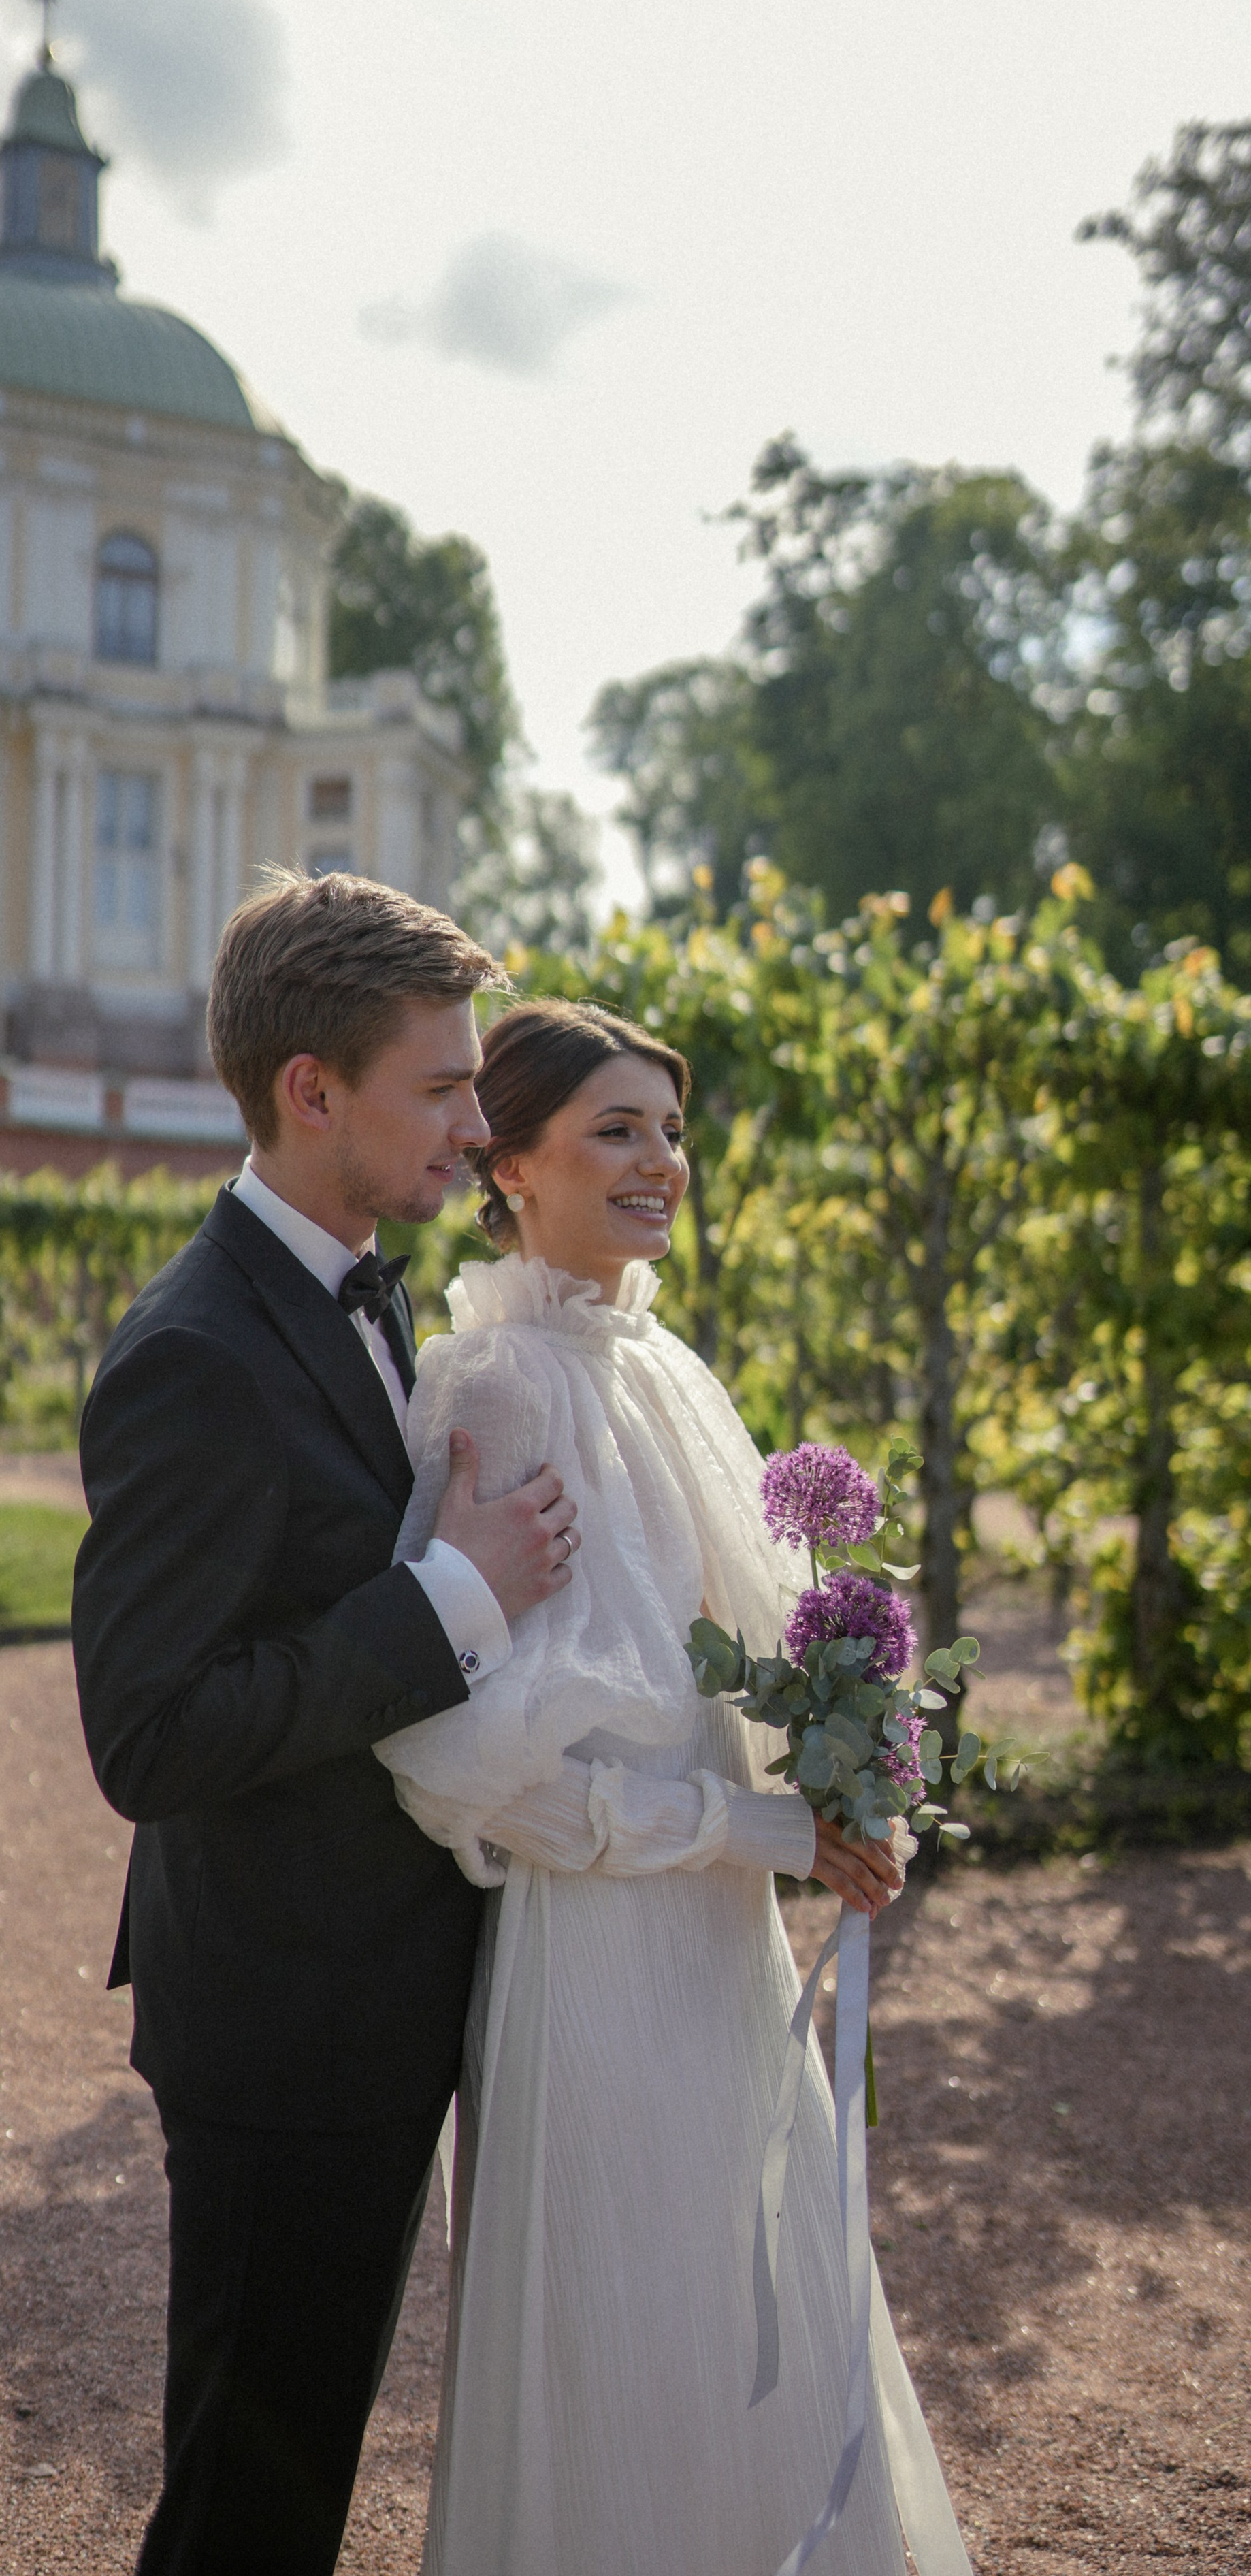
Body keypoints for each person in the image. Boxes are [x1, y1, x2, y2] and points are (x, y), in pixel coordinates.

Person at [378, 997, 973, 2576]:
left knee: (741, 2307)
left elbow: (753, 1654)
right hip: (595, 1966)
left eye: (668, 1129)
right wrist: (761, 1830)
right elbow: (485, 1775)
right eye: (615, 1131)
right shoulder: (493, 1392)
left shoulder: (664, 1370)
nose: (663, 1162)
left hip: (717, 1948)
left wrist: (845, 1781)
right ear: (506, 1165)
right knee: (628, 2333)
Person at [72, 874, 581, 2576]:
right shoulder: (194, 1354)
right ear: (310, 1089)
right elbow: (147, 1736)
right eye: (439, 1088)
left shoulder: (366, 1296)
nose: (473, 1118)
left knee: (291, 2482)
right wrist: (453, 1599)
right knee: (247, 2512)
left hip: (376, 1998)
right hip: (283, 2032)